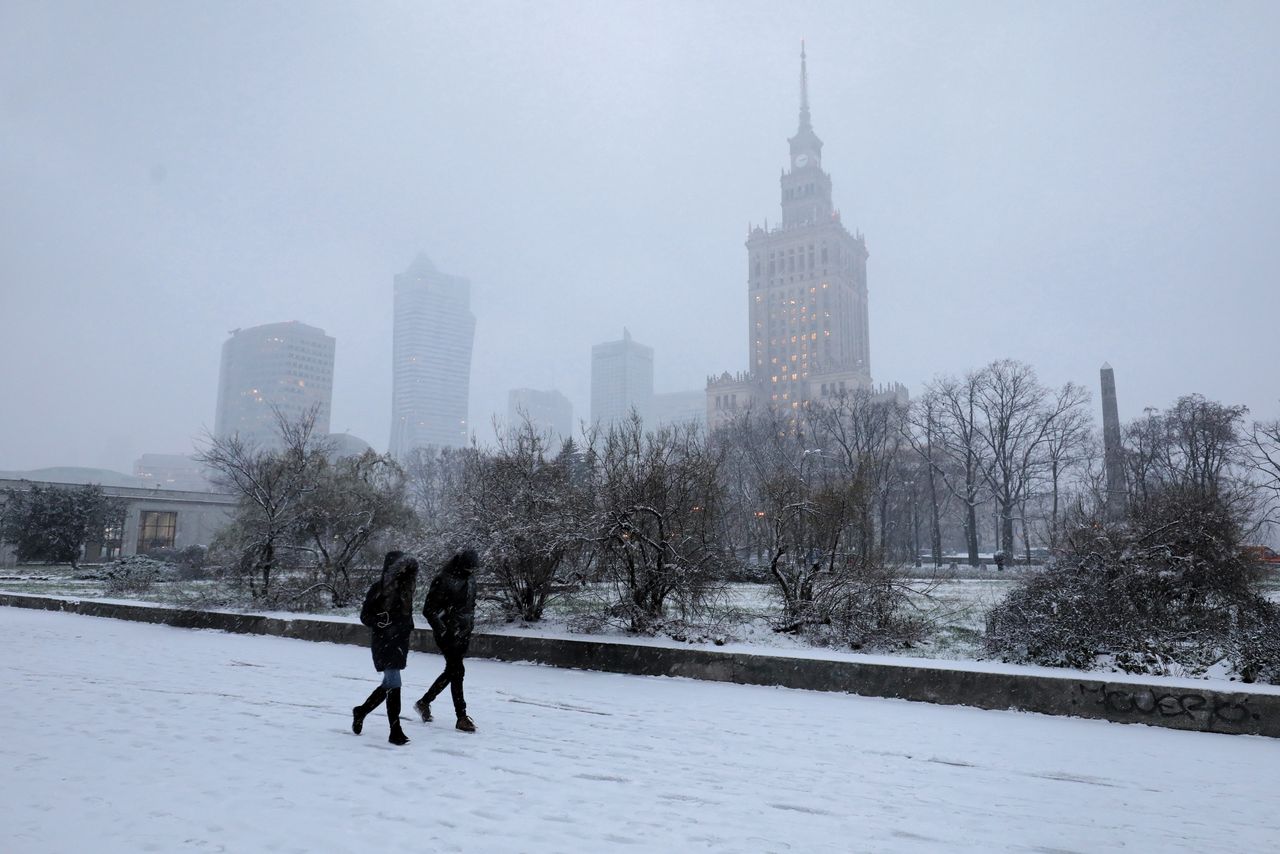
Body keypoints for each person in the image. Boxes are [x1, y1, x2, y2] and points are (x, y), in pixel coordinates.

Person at [352, 551, 419, 746]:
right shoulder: (378, 589)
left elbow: (406, 616)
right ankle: (395, 729)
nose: (403, 572)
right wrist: (380, 621)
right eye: (400, 568)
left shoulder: (406, 590)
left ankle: (362, 711)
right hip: (384, 642)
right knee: (394, 683)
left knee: (389, 684)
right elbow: (365, 616)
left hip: (400, 642)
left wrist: (407, 627)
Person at [414, 549, 479, 733]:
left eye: (473, 569)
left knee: (452, 671)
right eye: (468, 568)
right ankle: (461, 717)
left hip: (464, 631)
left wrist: (467, 626)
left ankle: (424, 702)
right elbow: (429, 610)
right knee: (457, 671)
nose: (471, 572)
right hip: (448, 634)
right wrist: (443, 630)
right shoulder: (443, 579)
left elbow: (470, 605)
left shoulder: (470, 579)